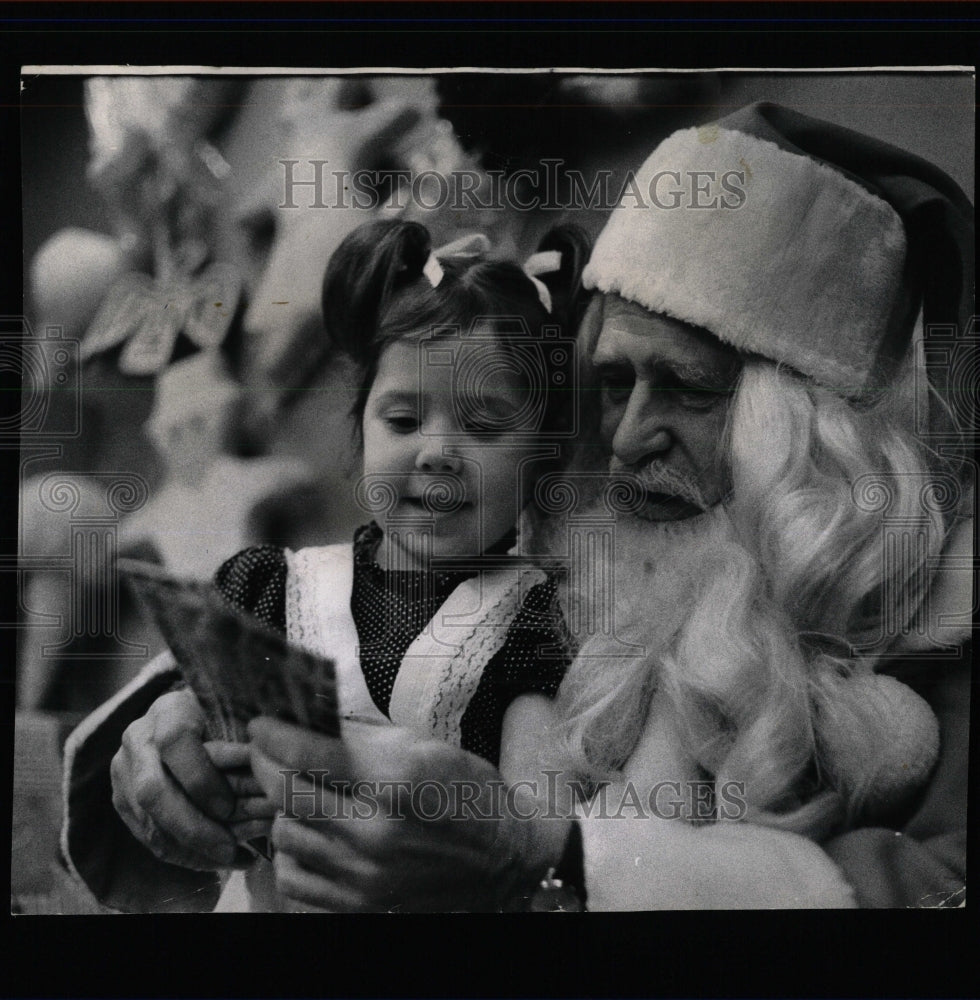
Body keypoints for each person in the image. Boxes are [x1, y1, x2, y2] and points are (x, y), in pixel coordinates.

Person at [241, 102, 972, 910]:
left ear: (810, 436)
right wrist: (167, 748)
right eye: (614, 383)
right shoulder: (534, 590)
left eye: (688, 388)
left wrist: (553, 864)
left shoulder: (935, 636)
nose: (625, 440)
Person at [60, 220, 591, 912]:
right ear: (360, 437)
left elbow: (531, 841)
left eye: (485, 426)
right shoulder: (274, 589)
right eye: (402, 421)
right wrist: (210, 771)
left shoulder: (535, 625)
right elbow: (190, 743)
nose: (435, 452)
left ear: (541, 462)